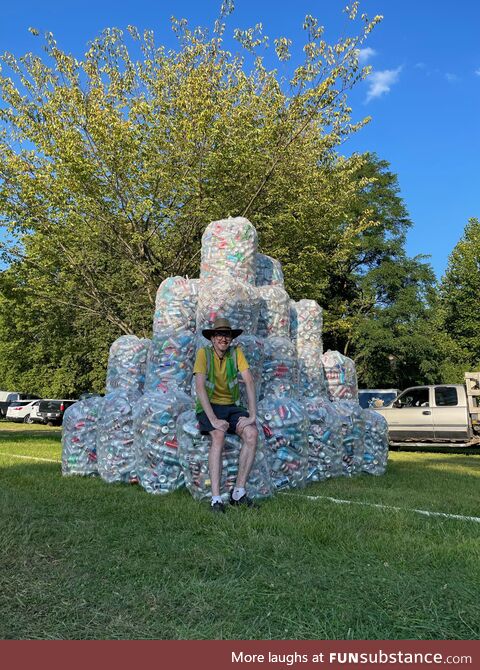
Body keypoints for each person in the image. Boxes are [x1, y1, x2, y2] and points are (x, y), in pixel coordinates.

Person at [194, 317, 259, 513]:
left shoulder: (236, 353)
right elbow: (199, 388)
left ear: (231, 338)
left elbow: (248, 381)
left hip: (232, 406)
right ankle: (216, 499)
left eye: (227, 334)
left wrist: (252, 415)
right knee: (218, 435)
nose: (224, 338)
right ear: (212, 338)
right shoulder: (203, 354)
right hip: (209, 406)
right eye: (220, 334)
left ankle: (238, 492)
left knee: (252, 434)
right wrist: (213, 419)